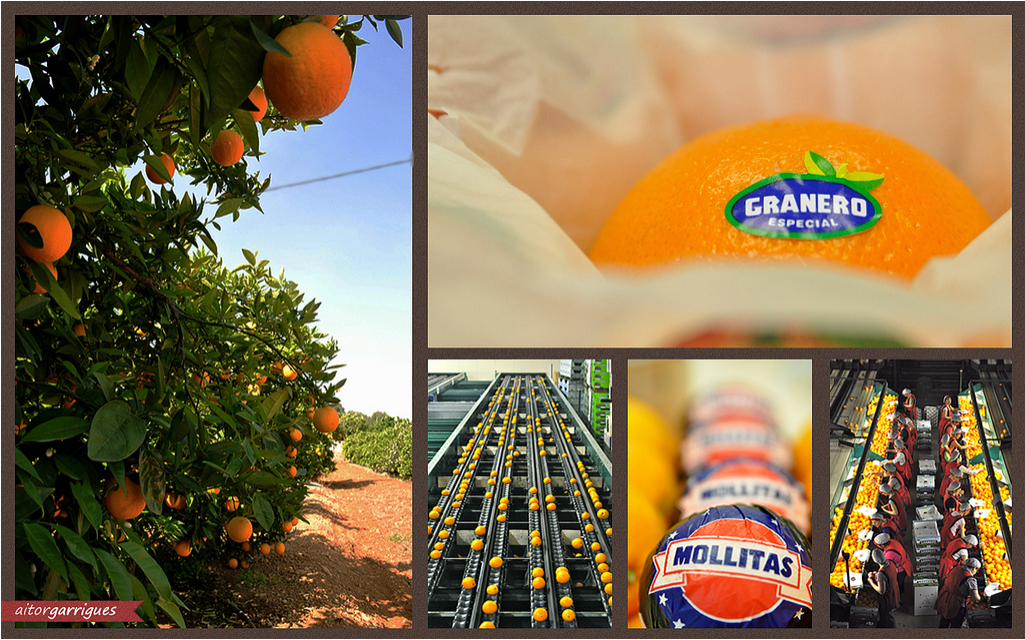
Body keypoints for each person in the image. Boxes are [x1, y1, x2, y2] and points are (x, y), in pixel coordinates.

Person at [935, 557, 985, 628]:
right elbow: (976, 599)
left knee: (944, 621)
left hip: (945, 598)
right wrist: (984, 599)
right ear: (974, 568)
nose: (976, 572)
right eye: (977, 570)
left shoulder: (955, 568)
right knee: (955, 625)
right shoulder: (971, 580)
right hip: (956, 603)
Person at [867, 549, 900, 628]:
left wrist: (870, 581)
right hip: (895, 590)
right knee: (889, 612)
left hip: (888, 597)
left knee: (889, 615)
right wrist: (876, 575)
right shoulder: (891, 562)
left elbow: (881, 591)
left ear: (875, 560)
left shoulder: (880, 574)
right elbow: (894, 572)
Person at [874, 532, 913, 598]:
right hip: (905, 562)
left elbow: (886, 567)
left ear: (883, 545)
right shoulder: (892, 541)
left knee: (898, 585)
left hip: (900, 569)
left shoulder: (890, 554)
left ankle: (900, 597)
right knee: (901, 583)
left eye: (878, 545)